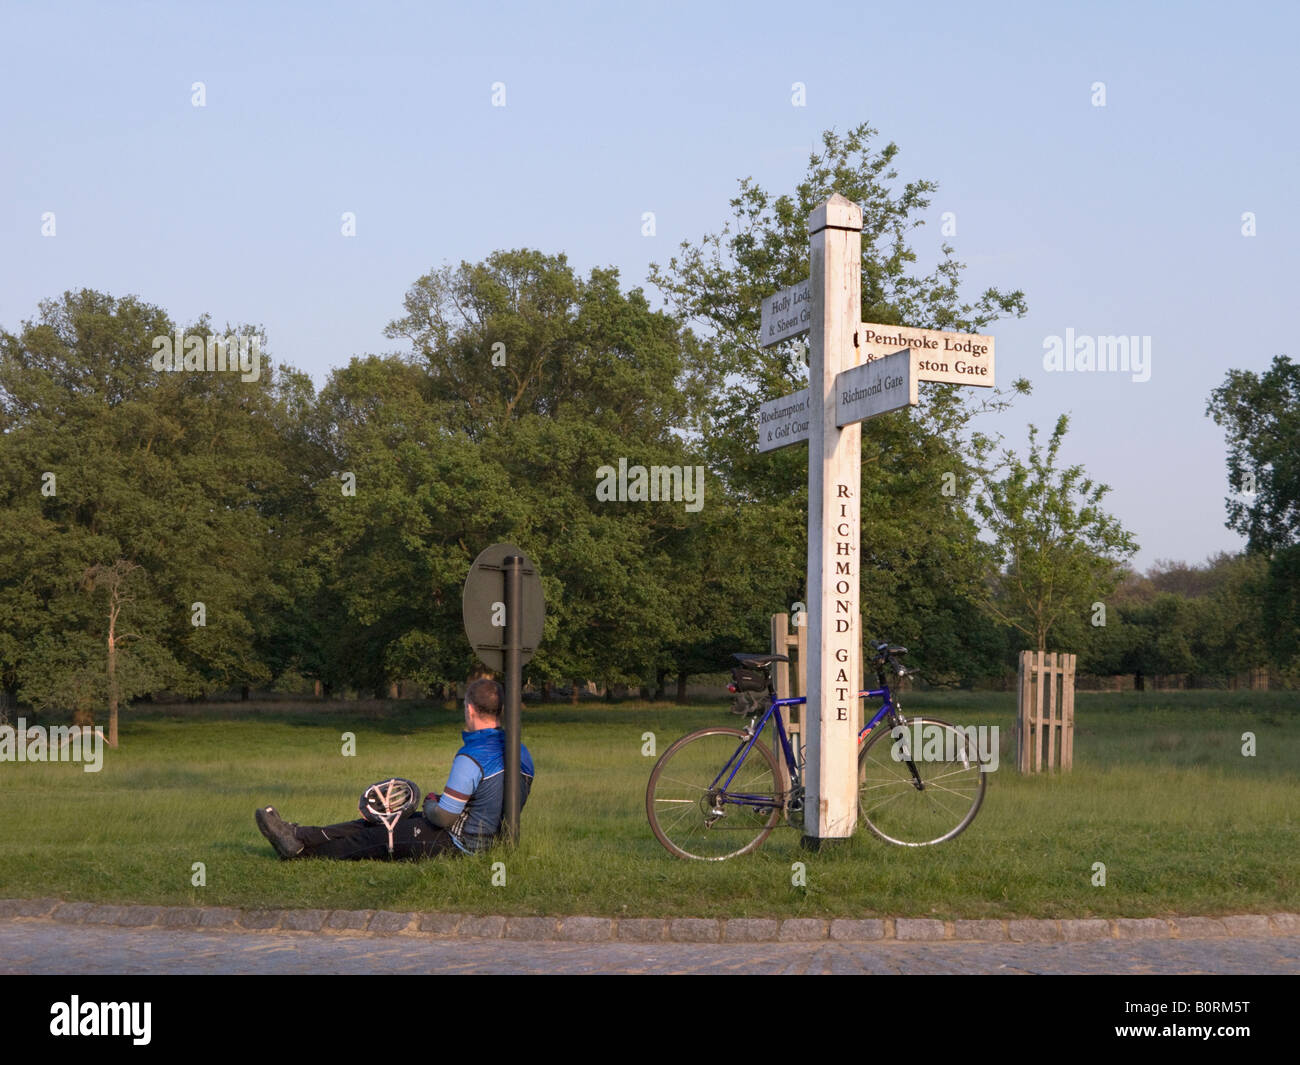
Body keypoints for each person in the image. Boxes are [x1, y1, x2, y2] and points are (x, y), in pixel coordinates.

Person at [255, 677, 534, 860]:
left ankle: (299, 854)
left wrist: (430, 802)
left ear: (470, 709)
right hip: (487, 842)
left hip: (459, 844)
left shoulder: (471, 757)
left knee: (378, 835)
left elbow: (445, 818)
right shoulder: (522, 753)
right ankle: (297, 835)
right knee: (382, 820)